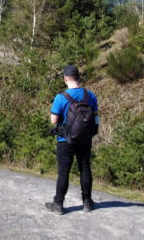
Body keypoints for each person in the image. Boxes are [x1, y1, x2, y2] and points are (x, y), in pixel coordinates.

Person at [45, 64, 99, 215]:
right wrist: (93, 132)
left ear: (66, 79)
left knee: (64, 172)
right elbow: (95, 116)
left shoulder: (61, 97)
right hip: (85, 140)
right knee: (85, 168)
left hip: (65, 140)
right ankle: (87, 202)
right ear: (78, 78)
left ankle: (58, 204)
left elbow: (54, 121)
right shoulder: (90, 95)